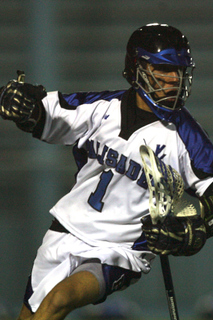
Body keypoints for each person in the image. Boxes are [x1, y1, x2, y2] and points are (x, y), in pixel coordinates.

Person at [0, 23, 213, 320]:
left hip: (122, 249)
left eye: (178, 71)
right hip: (68, 229)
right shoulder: (102, 108)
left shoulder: (187, 137)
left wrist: (195, 227)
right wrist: (19, 103)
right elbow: (45, 113)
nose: (174, 79)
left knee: (59, 299)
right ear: (137, 68)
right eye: (163, 69)